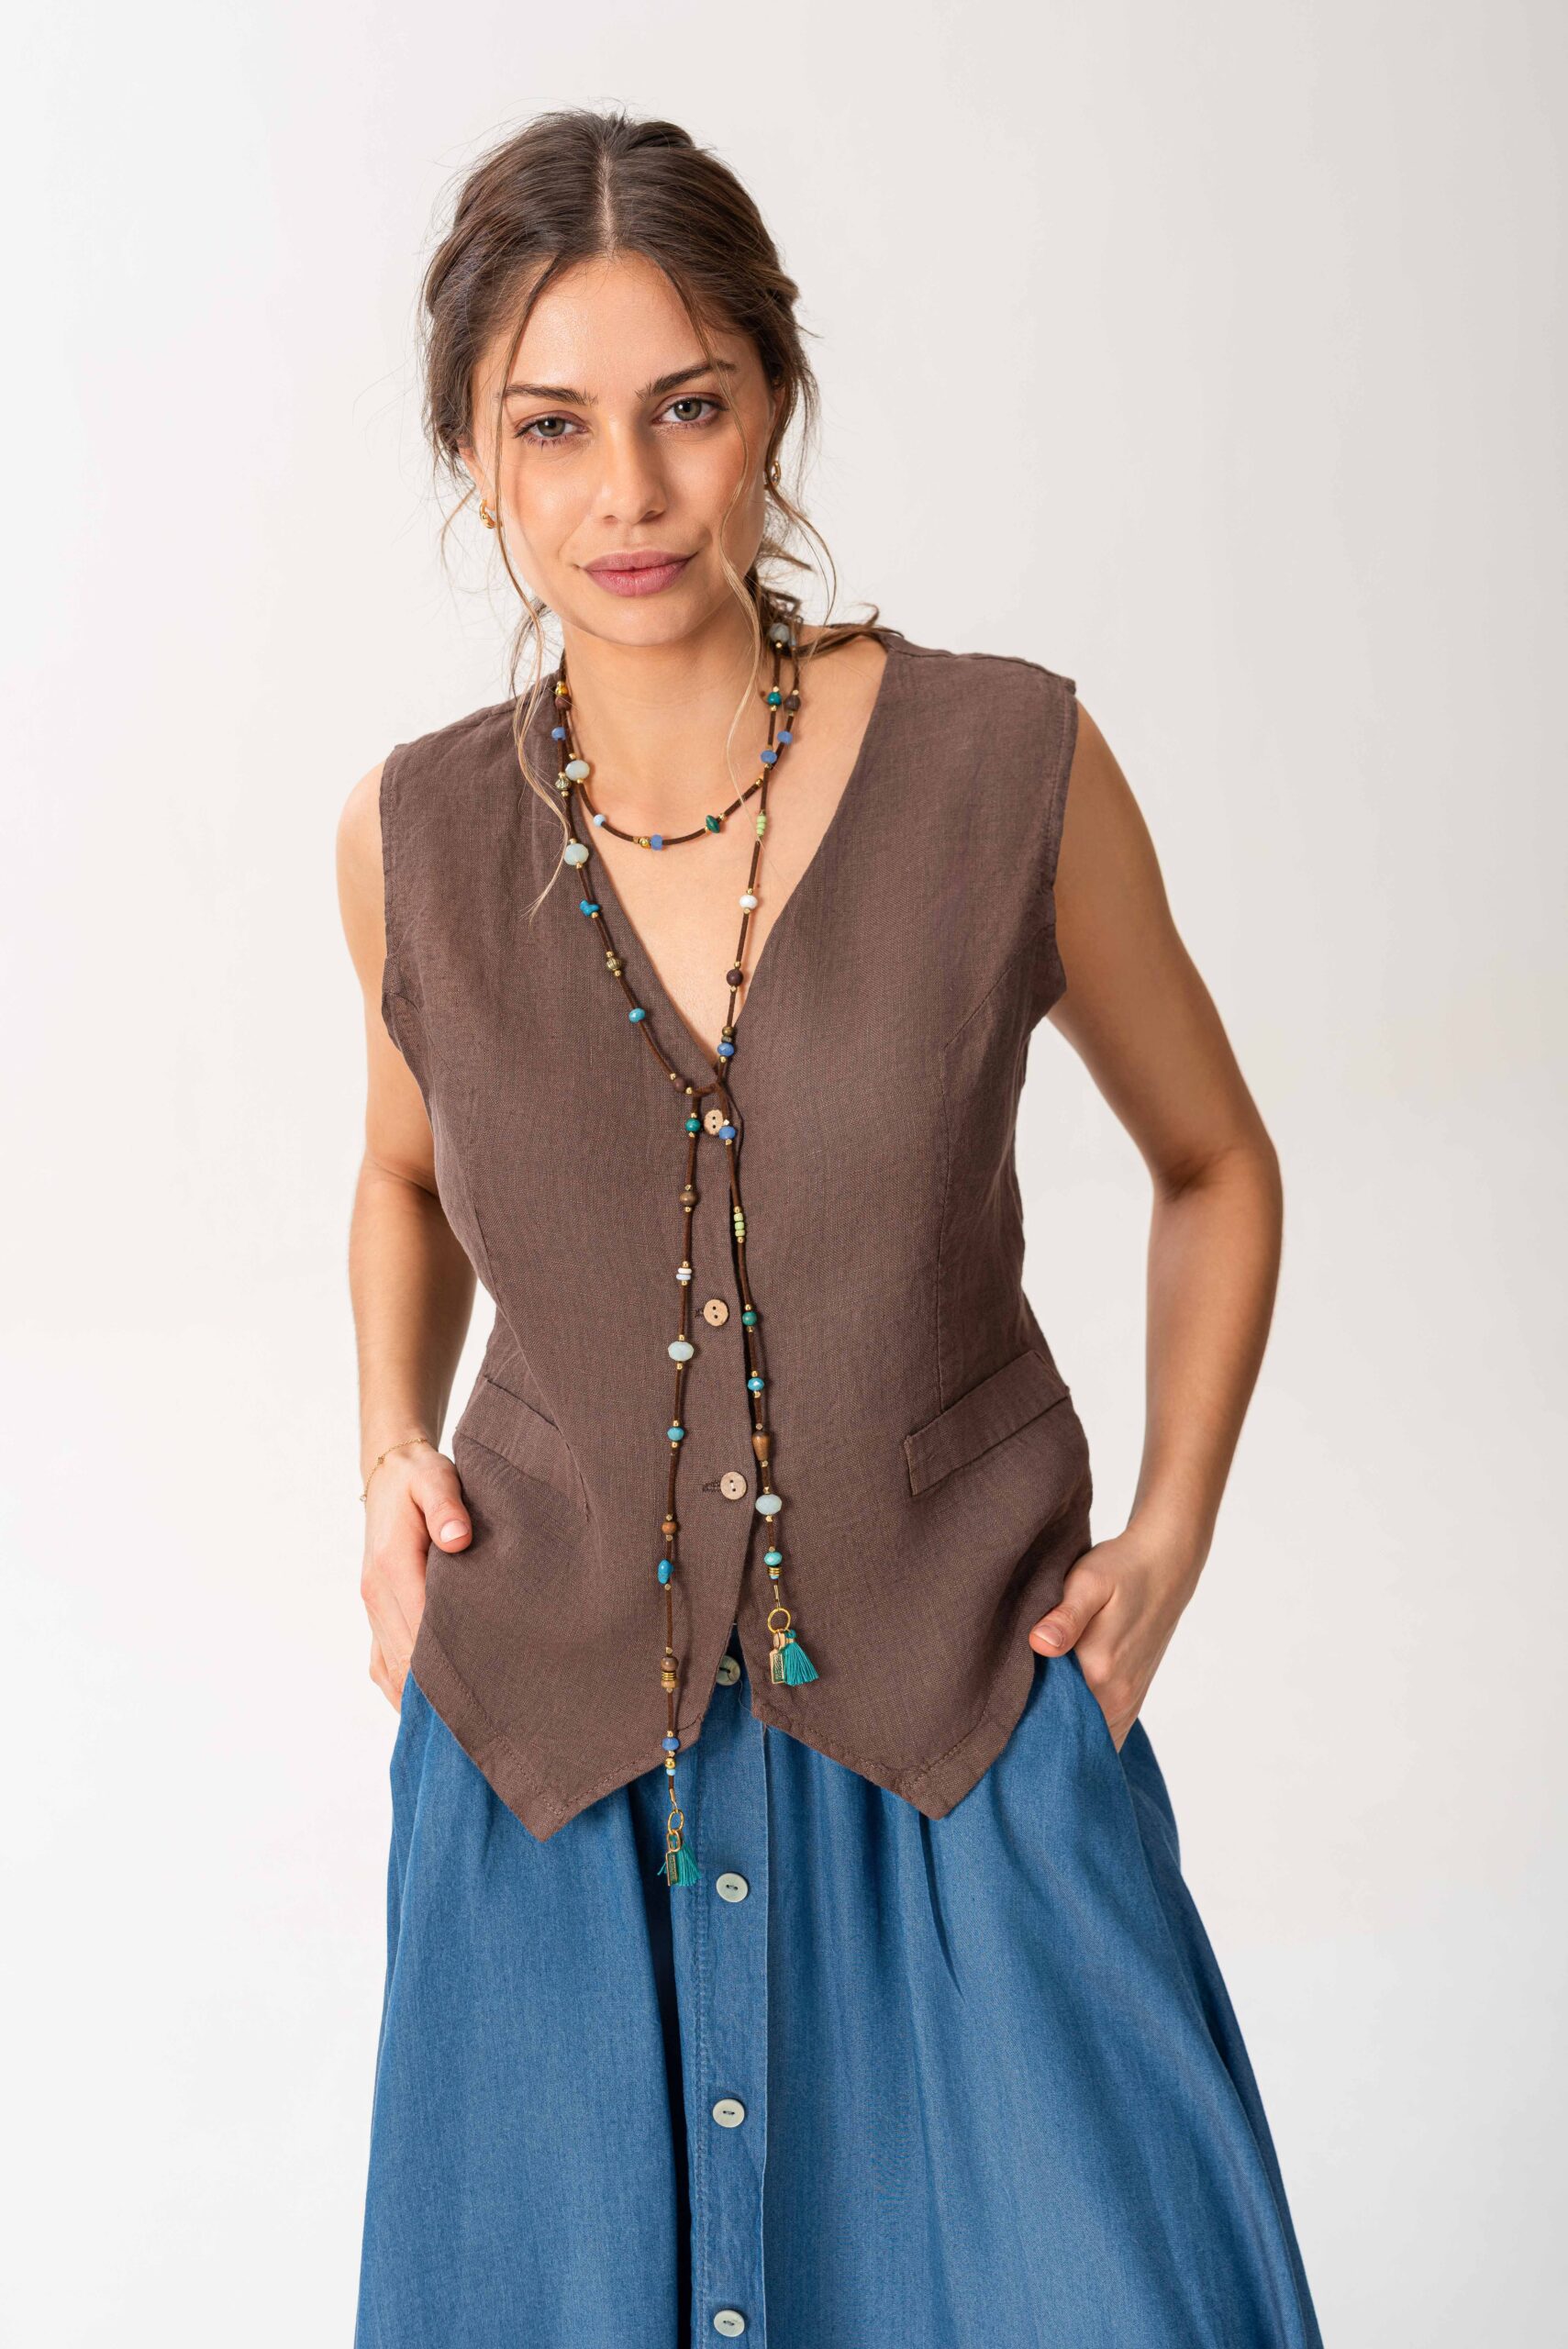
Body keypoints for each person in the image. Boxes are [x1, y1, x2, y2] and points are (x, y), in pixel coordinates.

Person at [337, 105, 1324, 2349]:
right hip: (546, 1786)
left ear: (772, 399)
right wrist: (387, 1436)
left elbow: (1217, 1161)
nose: (627, 490)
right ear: (474, 453)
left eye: (686, 406)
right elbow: (402, 1169)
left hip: (966, 1730)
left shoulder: (1006, 768)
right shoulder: (411, 841)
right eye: (551, 425)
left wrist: (1172, 1528)